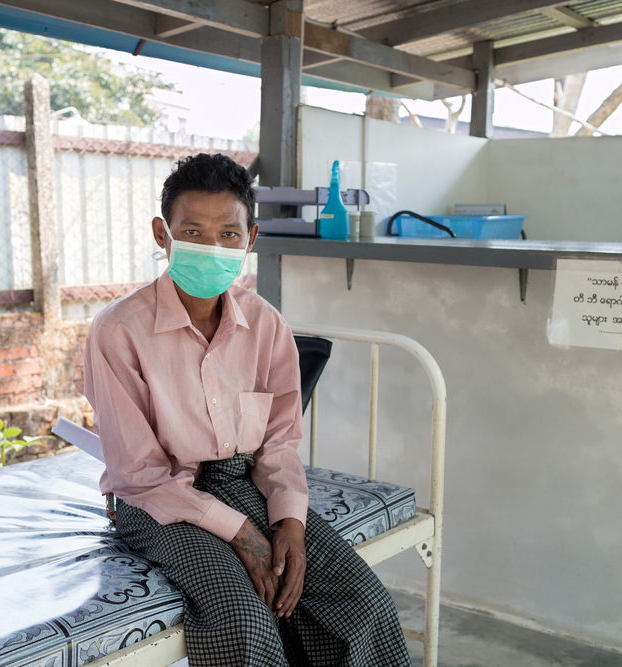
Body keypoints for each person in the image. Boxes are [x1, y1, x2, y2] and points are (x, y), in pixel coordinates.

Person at [83, 153, 411, 667]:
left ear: (251, 238)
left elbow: (279, 442)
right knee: (244, 621)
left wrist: (291, 524)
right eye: (192, 231)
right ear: (161, 234)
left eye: (229, 235)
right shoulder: (118, 331)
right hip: (157, 502)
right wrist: (241, 534)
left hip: (244, 484)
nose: (211, 248)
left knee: (362, 604)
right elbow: (138, 472)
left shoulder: (266, 325)